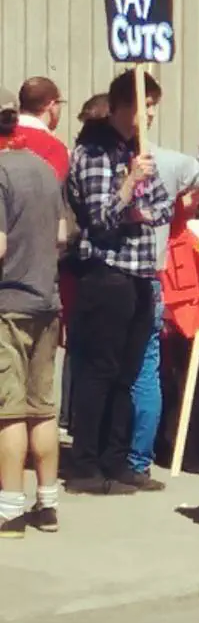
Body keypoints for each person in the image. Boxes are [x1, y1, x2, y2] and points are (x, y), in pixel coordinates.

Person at [64, 70, 173, 494]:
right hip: (106, 271)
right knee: (99, 371)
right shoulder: (94, 152)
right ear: (122, 107)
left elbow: (162, 206)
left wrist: (137, 204)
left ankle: (117, 459)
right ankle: (86, 464)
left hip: (141, 271)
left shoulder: (137, 150)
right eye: (144, 107)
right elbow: (100, 218)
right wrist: (128, 186)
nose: (148, 116)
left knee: (129, 372)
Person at [126, 139, 199, 484]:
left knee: (158, 371)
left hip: (166, 281)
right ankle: (168, 446)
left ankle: (155, 444)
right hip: (172, 280)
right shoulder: (173, 171)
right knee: (166, 372)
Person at [0, 103, 65, 537]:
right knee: (43, 409)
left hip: (8, 305)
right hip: (48, 302)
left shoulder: (0, 173)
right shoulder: (44, 169)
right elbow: (62, 235)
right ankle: (47, 503)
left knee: (9, 412)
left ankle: (9, 510)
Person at [7, 76, 67, 177]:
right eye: (59, 103)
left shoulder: (4, 134)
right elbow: (53, 189)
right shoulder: (54, 148)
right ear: (51, 105)